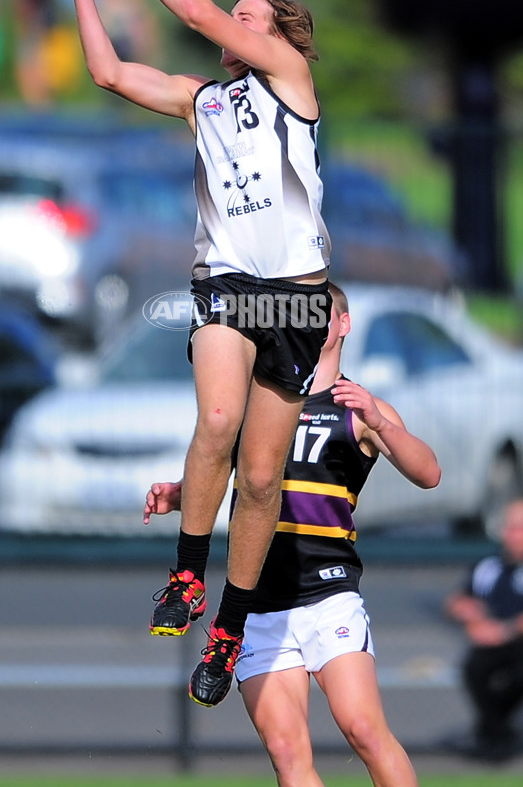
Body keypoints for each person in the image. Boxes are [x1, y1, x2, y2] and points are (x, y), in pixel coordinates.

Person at [65, 0, 332, 708]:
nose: (235, 22)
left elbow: (197, 13)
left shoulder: (289, 80)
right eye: (239, 15)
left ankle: (229, 629)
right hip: (224, 288)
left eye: (252, 15)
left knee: (259, 480)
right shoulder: (204, 101)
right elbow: (110, 73)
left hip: (297, 299)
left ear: (282, 36)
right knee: (216, 423)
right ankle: (185, 577)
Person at [144, 284, 441, 784]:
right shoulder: (261, 402)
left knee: (363, 729)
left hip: (328, 592)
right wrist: (181, 491)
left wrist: (380, 423)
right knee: (287, 752)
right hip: (256, 603)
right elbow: (224, 468)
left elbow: (429, 473)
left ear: (342, 326)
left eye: (318, 313)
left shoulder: (359, 405)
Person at [444, 498, 523, 762]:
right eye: (510, 528)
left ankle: (493, 732)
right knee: (474, 669)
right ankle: (497, 734)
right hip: (492, 642)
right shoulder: (489, 567)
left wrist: (506, 630)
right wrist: (471, 615)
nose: (514, 535)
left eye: (522, 528)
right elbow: (457, 601)